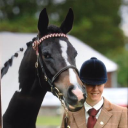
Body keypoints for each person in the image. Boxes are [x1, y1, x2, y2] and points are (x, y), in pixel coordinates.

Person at [61, 57, 127, 128]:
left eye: (99, 84)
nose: (95, 89)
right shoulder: (69, 113)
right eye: (90, 84)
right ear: (82, 84)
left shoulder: (121, 113)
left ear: (104, 84)